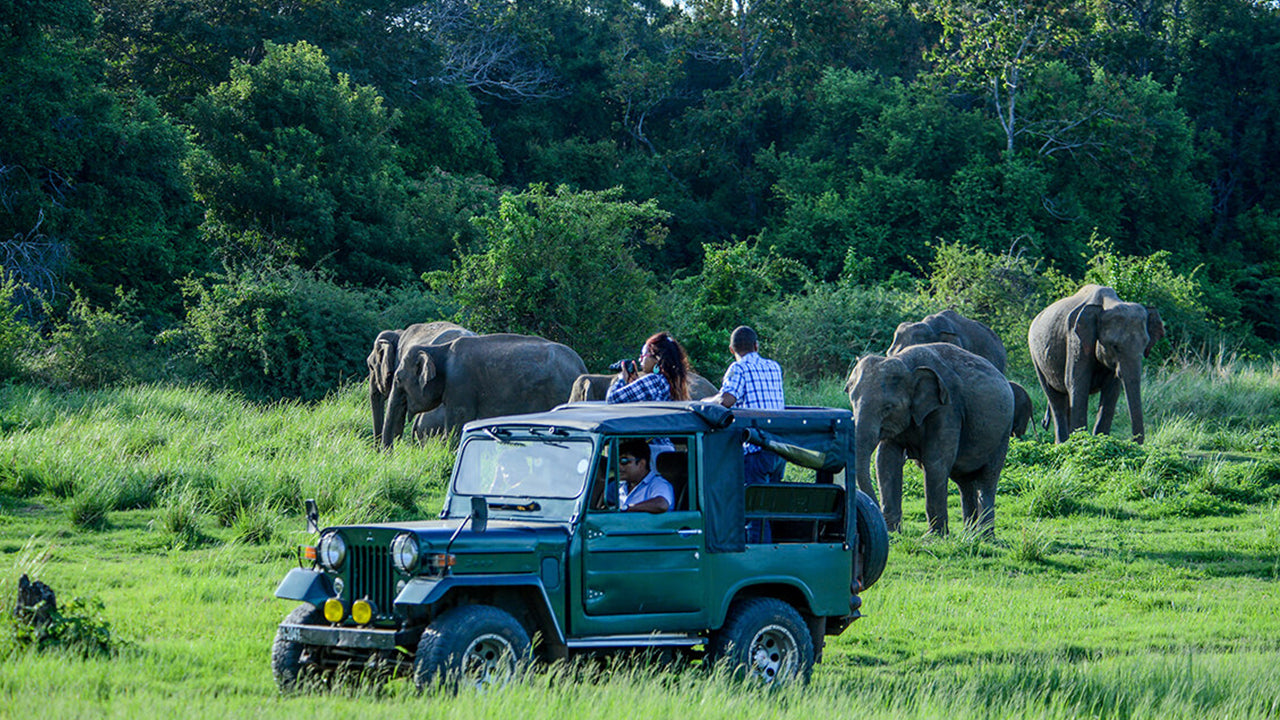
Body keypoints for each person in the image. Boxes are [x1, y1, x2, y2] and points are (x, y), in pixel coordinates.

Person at [706, 325, 785, 541]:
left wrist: (705, 402)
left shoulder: (737, 369)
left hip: (755, 448)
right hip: (779, 449)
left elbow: (726, 401)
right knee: (771, 509)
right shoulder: (774, 367)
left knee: (754, 515)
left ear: (732, 350)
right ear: (756, 345)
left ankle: (758, 562)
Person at [606, 332, 692, 403]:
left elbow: (611, 399)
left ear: (657, 359)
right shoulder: (672, 382)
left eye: (643, 355)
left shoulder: (654, 380)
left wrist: (622, 379)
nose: (640, 359)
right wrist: (635, 382)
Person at [616, 438, 674, 513]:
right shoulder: (620, 486)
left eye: (624, 461)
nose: (619, 466)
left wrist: (628, 508)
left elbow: (662, 504)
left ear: (641, 463)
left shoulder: (659, 484)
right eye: (617, 461)